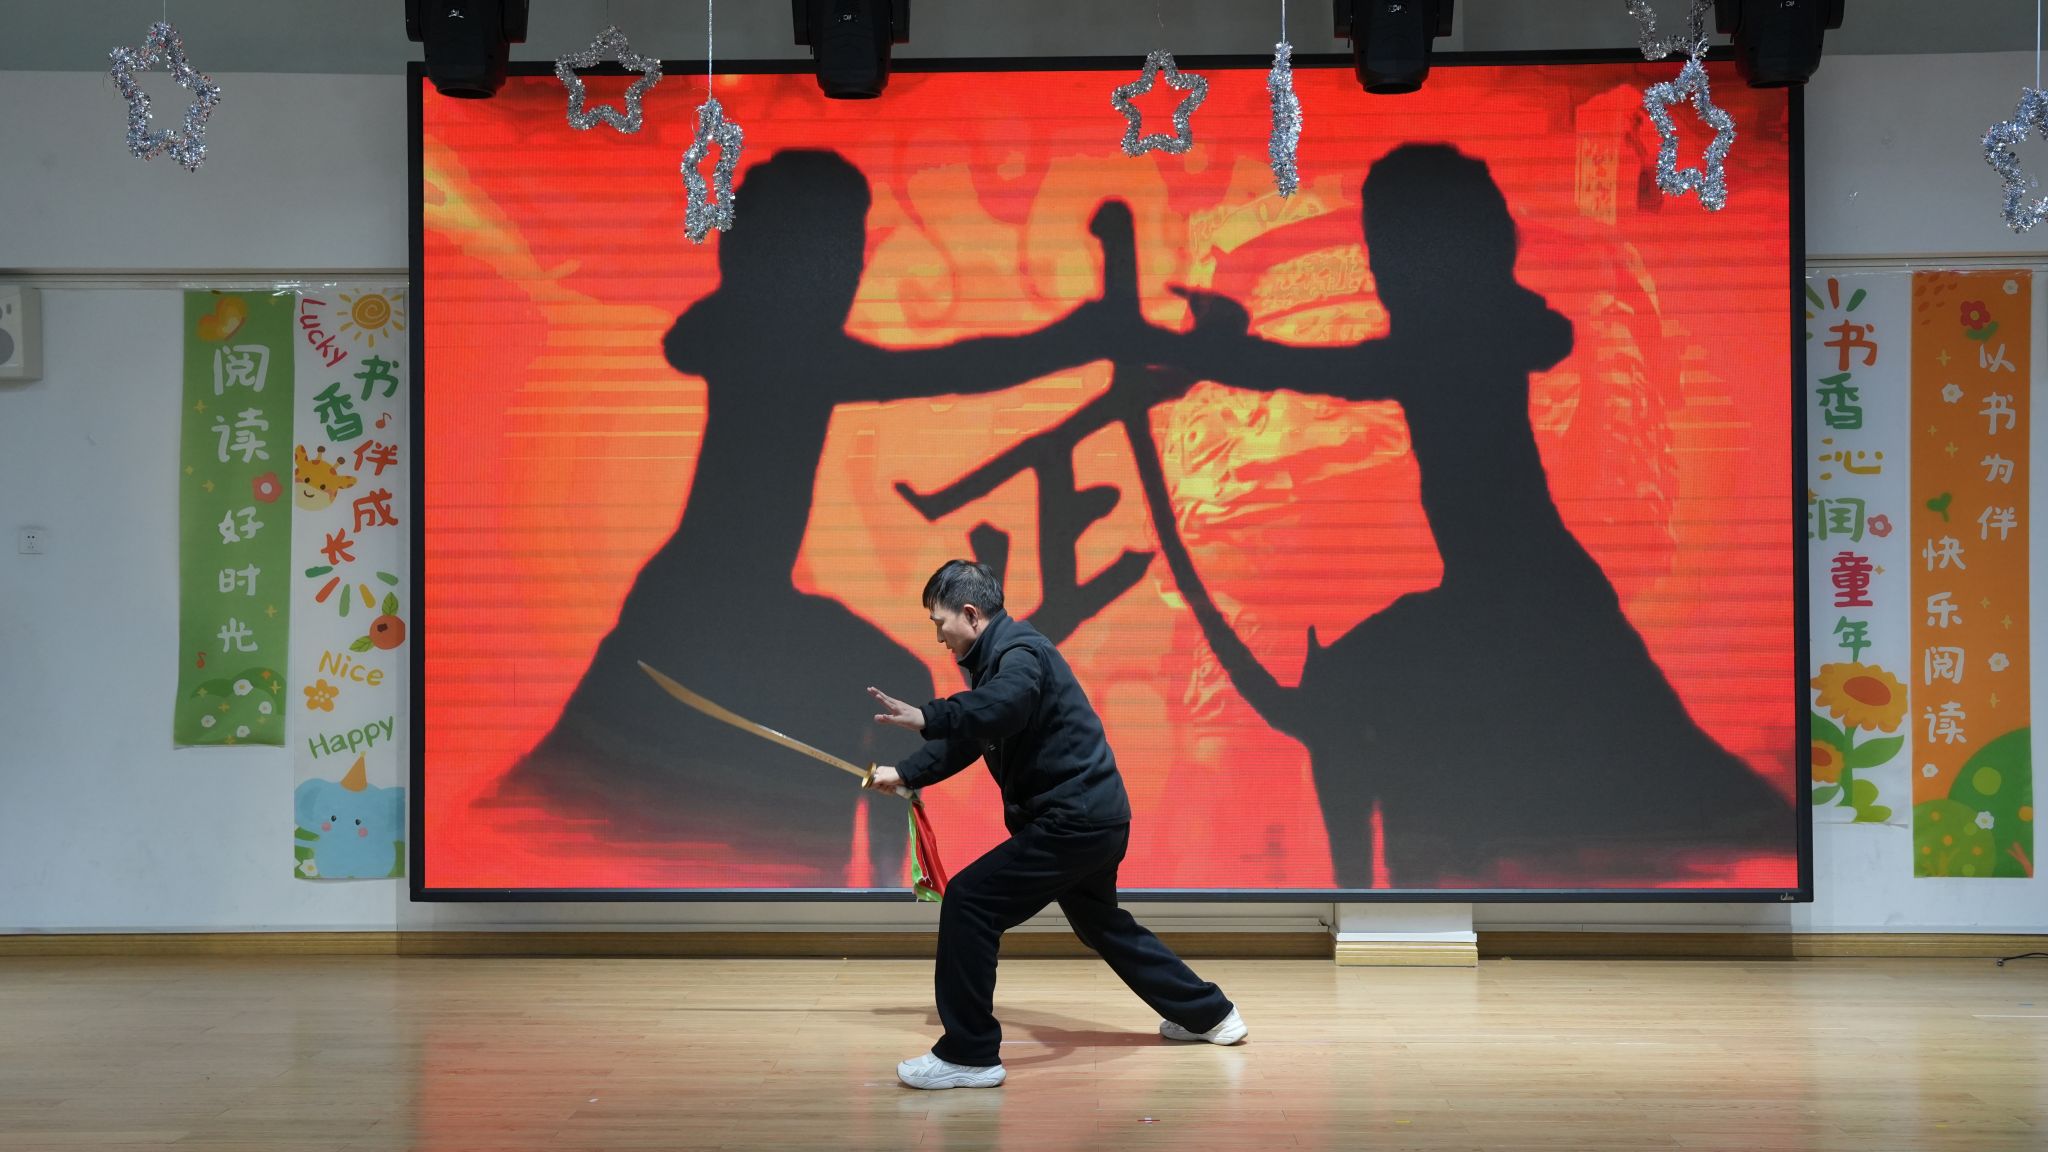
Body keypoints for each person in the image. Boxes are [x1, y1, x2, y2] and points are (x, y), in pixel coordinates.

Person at [865, 560, 1246, 1090]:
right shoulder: (999, 659)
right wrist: (907, 773)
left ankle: (969, 1055)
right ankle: (1211, 1015)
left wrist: (930, 716)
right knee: (1100, 924)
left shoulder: (1019, 653)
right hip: (1094, 820)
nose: (938, 637)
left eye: (939, 623)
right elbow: (979, 732)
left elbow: (1000, 708)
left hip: (1074, 822)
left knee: (970, 902)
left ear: (970, 614)